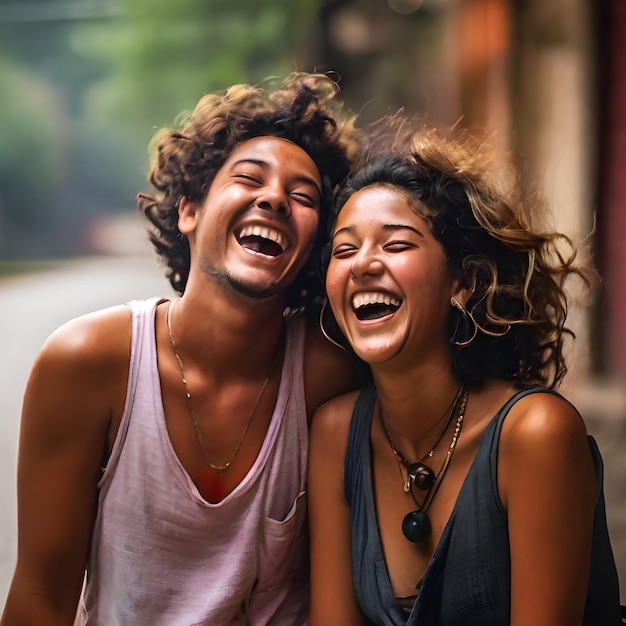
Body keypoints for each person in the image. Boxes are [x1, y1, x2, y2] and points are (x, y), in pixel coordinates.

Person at [1, 72, 362, 626]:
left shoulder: (332, 372)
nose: (274, 199)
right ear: (188, 210)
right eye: (249, 178)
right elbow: (40, 599)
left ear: (316, 246)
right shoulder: (86, 363)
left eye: (302, 196)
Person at [308, 119, 623, 625]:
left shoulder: (535, 434)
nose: (362, 264)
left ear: (465, 282)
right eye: (344, 250)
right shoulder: (334, 434)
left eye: (396, 244)